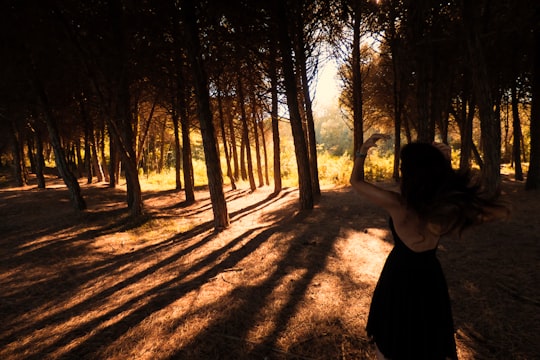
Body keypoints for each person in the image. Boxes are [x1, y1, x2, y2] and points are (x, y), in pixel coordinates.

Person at [350, 134, 509, 360]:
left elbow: (356, 182)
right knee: (428, 334)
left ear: (410, 173)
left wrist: (362, 152)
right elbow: (493, 210)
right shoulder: (443, 206)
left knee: (393, 336)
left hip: (399, 277)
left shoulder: (398, 204)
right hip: (429, 277)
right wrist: (444, 165)